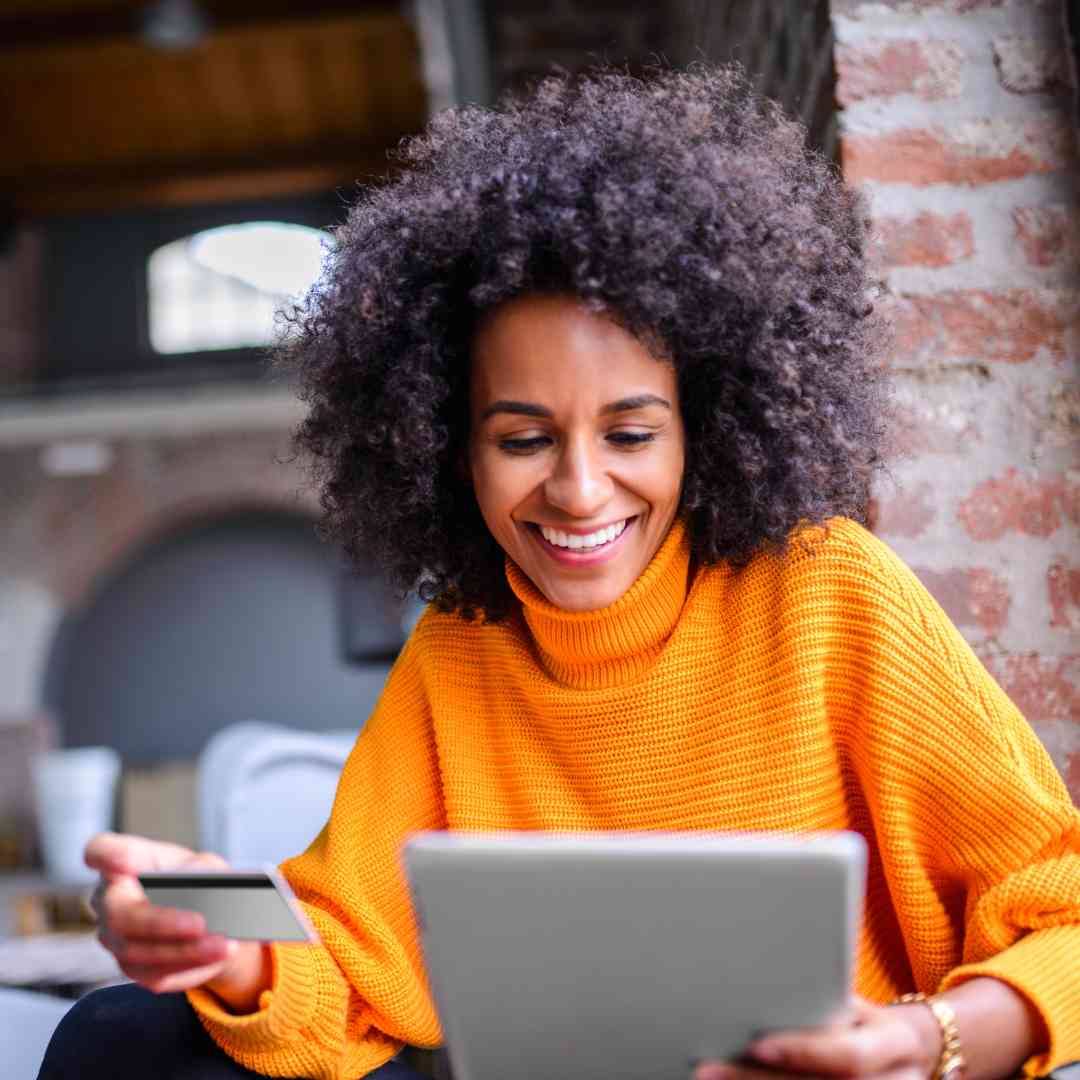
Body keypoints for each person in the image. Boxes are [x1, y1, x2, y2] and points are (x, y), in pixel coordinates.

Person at [41, 65, 1079, 1080]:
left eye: (630, 433)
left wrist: (925, 1039)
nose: (581, 492)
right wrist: (233, 950)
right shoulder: (462, 648)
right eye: (523, 440)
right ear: (450, 448)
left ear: (704, 430)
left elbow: (1066, 907)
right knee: (119, 1036)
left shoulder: (827, 594)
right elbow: (351, 964)